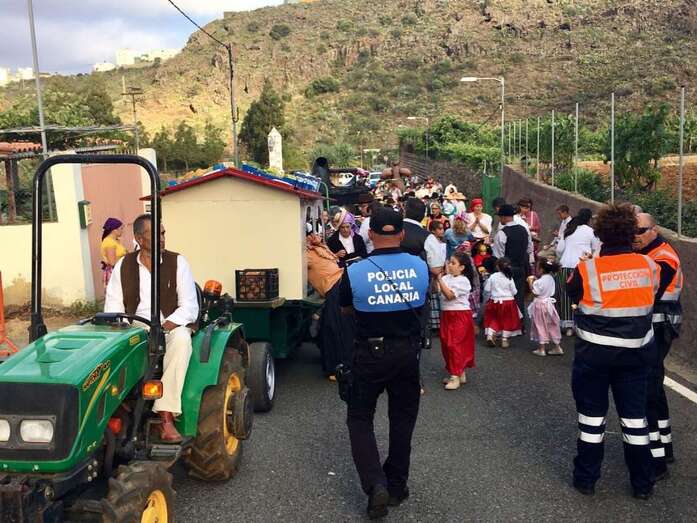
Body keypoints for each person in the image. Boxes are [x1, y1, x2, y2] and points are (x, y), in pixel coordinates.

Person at [339, 207, 429, 519]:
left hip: (369, 353)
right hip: (407, 354)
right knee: (402, 419)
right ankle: (397, 484)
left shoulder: (354, 271)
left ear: (370, 234)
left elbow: (346, 309)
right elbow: (421, 302)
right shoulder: (420, 266)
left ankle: (375, 483)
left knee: (359, 418)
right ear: (401, 234)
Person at [565, 204, 660, 500]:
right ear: (632, 233)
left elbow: (572, 291)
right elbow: (651, 295)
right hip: (636, 357)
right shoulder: (649, 266)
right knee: (635, 421)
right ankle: (642, 484)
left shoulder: (588, 268)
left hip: (593, 357)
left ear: (600, 235)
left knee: (591, 421)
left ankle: (586, 480)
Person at [104, 214, 198, 443]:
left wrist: (164, 327)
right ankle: (114, 411)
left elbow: (189, 307)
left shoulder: (178, 262)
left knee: (182, 341)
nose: (162, 238)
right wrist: (125, 329)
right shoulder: (123, 266)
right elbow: (113, 307)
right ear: (139, 238)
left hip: (170, 326)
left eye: (163, 233)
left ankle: (165, 415)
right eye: (155, 234)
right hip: (135, 325)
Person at [634, 212, 683, 476]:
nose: (635, 236)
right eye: (631, 231)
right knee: (654, 386)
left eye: (640, 231)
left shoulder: (663, 256)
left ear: (654, 229)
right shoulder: (650, 252)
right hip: (656, 326)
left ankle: (656, 460)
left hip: (659, 327)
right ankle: (665, 445)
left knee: (647, 389)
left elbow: (649, 291)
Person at [306, 231, 353, 380]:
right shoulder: (307, 254)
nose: (314, 236)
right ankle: (336, 366)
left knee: (336, 327)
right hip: (333, 286)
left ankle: (339, 366)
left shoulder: (318, 248)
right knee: (333, 327)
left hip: (339, 282)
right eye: (309, 234)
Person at [556, 208, 601, 336]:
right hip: (582, 266)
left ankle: (568, 326)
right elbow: (596, 249)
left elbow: (559, 249)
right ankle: (580, 324)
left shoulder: (569, 230)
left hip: (565, 265)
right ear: (589, 219)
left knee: (565, 296)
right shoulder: (591, 232)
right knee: (582, 295)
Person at [436, 251, 476, 390]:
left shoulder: (463, 281)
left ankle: (455, 376)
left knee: (455, 344)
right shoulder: (446, 278)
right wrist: (437, 278)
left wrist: (439, 279)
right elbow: (437, 291)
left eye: (453, 263)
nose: (450, 265)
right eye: (449, 262)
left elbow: (449, 295)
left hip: (460, 314)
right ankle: (458, 372)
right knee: (446, 344)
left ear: (462, 267)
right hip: (447, 314)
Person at [492, 204, 533, 323]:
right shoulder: (524, 230)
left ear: (504, 217)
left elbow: (498, 255)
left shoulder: (502, 233)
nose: (500, 219)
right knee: (519, 297)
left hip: (506, 270)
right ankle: (520, 324)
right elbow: (529, 249)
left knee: (505, 297)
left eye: (500, 217)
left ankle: (506, 324)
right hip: (521, 267)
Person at [482, 257, 522, 348]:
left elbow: (487, 289)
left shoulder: (493, 276)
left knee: (494, 318)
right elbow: (514, 291)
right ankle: (504, 340)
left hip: (494, 301)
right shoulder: (509, 277)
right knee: (507, 320)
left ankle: (490, 335)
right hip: (508, 302)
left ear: (497, 266)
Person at [527, 259, 563, 357]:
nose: (536, 269)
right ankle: (557, 347)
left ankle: (541, 349)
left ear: (541, 269)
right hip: (550, 305)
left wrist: (530, 282)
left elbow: (535, 293)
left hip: (540, 304)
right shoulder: (551, 278)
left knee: (540, 325)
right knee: (552, 325)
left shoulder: (538, 282)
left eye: (537, 268)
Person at [427, 220, 446, 332]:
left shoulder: (443, 242)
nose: (442, 231)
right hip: (434, 271)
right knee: (434, 295)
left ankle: (442, 322)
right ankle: (435, 324)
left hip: (443, 270)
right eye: (439, 229)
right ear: (433, 230)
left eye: (442, 228)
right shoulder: (430, 242)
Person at [100, 217, 128, 288]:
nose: (122, 231)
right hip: (115, 273)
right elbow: (112, 262)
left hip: (120, 270)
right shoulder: (109, 242)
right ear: (114, 230)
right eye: (121, 228)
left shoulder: (115, 241)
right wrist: (125, 257)